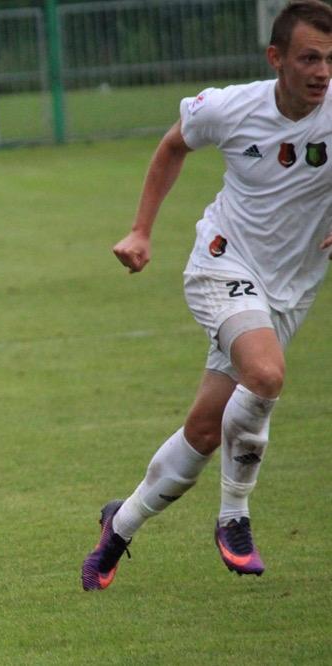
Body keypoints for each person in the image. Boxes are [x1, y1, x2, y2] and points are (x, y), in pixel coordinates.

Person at [81, 0, 332, 591]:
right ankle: (234, 517)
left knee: (203, 431)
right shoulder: (230, 107)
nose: (322, 72)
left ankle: (120, 525)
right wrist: (141, 231)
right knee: (265, 374)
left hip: (290, 289)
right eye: (309, 58)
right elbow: (174, 145)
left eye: (330, 59)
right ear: (276, 58)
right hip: (222, 263)